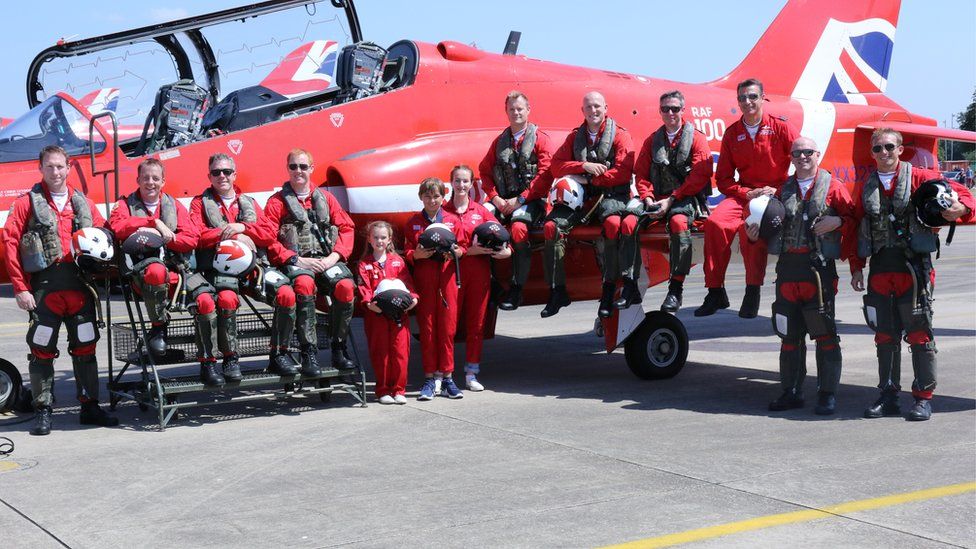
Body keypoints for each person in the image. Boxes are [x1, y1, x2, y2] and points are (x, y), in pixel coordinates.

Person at [850, 128, 975, 421]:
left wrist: (962, 207)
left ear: (900, 149)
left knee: (919, 333)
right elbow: (857, 225)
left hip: (914, 267)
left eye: (889, 147)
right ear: (872, 153)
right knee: (884, 334)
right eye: (878, 148)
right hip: (880, 267)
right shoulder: (866, 185)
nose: (884, 153)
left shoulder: (920, 177)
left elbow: (963, 196)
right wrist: (856, 266)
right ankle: (888, 395)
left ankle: (923, 397)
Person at [2, 145, 118, 435]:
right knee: (41, 348)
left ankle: (90, 406)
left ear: (69, 168)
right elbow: (10, 243)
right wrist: (19, 287)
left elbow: (104, 236)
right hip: (44, 288)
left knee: (86, 346)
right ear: (41, 168)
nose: (55, 172)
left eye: (60, 167)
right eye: (50, 166)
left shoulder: (84, 204)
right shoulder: (27, 203)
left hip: (80, 287)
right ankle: (43, 410)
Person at [746, 137, 853, 415]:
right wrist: (755, 233)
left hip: (818, 272)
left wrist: (839, 221)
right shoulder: (783, 190)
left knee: (824, 333)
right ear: (791, 158)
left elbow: (855, 219)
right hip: (788, 270)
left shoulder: (834, 187)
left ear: (818, 154)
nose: (803, 157)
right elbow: (769, 224)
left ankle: (827, 393)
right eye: (797, 153)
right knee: (788, 334)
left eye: (808, 152)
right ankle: (790, 391)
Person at [108, 158, 223, 383]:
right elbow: (116, 227)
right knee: (155, 270)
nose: (150, 182)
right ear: (138, 180)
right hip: (143, 275)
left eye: (155, 178)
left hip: (178, 272)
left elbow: (190, 238)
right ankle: (159, 327)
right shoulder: (124, 204)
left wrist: (167, 239)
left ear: (163, 181)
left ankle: (208, 363)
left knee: (206, 301)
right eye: (146, 178)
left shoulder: (174, 205)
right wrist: (153, 223)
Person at [696, 78, 799, 318]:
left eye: (752, 96)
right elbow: (723, 179)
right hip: (744, 194)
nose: (748, 102)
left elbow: (804, 159)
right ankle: (715, 291)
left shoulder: (781, 128)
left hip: (773, 194)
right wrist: (745, 193)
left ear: (763, 98)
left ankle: (752, 290)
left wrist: (780, 191)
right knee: (715, 224)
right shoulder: (733, 134)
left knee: (750, 231)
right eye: (742, 98)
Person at [261, 149, 358, 374]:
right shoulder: (276, 203)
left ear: (311, 169)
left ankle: (339, 348)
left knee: (345, 287)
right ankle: (309, 352)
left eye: (303, 167)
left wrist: (334, 257)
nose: (298, 171)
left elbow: (347, 227)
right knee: (304, 285)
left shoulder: (325, 198)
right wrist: (296, 259)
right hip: (296, 262)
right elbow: (269, 240)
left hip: (326, 260)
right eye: (293, 167)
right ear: (288, 169)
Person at [545, 91, 636, 318]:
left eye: (597, 106)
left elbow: (624, 172)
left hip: (612, 196)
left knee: (613, 225)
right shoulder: (575, 137)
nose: (593, 111)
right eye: (588, 107)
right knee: (551, 228)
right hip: (583, 199)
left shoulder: (620, 136)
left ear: (606, 108)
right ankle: (557, 290)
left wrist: (594, 179)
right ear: (582, 111)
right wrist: (583, 167)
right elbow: (556, 167)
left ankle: (609, 290)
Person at [188, 153, 271, 382]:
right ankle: (209, 362)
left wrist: (243, 228)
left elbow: (268, 234)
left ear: (234, 174)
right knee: (217, 300)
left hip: (247, 272)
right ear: (209, 176)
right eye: (216, 172)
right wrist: (230, 234)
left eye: (226, 172)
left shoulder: (249, 203)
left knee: (285, 293)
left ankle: (234, 357)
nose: (221, 176)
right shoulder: (199, 203)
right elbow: (197, 236)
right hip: (214, 271)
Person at [633, 90, 714, 312]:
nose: (670, 113)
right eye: (666, 109)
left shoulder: (696, 138)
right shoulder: (652, 141)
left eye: (675, 109)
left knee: (679, 224)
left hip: (684, 198)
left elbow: (700, 174)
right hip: (656, 200)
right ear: (660, 111)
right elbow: (641, 174)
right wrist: (647, 197)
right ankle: (629, 284)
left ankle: (676, 288)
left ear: (682, 110)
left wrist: (672, 199)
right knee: (628, 224)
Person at [478, 90, 554, 311]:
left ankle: (517, 288)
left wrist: (520, 199)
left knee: (519, 229)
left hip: (531, 201)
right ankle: (492, 283)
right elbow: (484, 172)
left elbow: (546, 174)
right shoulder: (499, 142)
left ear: (528, 110)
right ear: (506, 112)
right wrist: (495, 198)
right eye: (512, 109)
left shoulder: (541, 139)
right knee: (484, 225)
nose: (516, 112)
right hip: (504, 200)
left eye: (520, 108)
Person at [445, 165, 512, 391]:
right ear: (451, 183)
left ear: (471, 184)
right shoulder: (442, 212)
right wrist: (467, 251)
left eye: (465, 181)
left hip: (479, 275)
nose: (461, 185)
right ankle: (445, 374)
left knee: (476, 325)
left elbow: (500, 234)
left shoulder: (481, 211)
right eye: (457, 181)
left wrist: (507, 250)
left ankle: (472, 373)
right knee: (449, 326)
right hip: (450, 275)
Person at [403, 177, 465, 400]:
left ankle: (448, 377)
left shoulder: (452, 220)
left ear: (443, 197)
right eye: (427, 196)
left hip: (447, 279)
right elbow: (407, 252)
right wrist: (416, 255)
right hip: (425, 279)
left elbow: (463, 247)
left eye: (436, 196)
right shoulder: (413, 223)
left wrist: (456, 252)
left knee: (447, 330)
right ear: (421, 197)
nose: (432, 200)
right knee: (428, 330)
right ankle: (430, 378)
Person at [357, 221, 418, 404]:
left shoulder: (398, 262)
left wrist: (413, 299)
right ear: (369, 239)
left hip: (399, 314)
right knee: (381, 352)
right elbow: (363, 288)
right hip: (377, 315)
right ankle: (383, 390)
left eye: (383, 237)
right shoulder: (364, 264)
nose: (379, 241)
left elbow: (408, 285)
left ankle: (399, 390)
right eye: (375, 237)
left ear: (389, 239)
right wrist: (369, 304)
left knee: (400, 352)